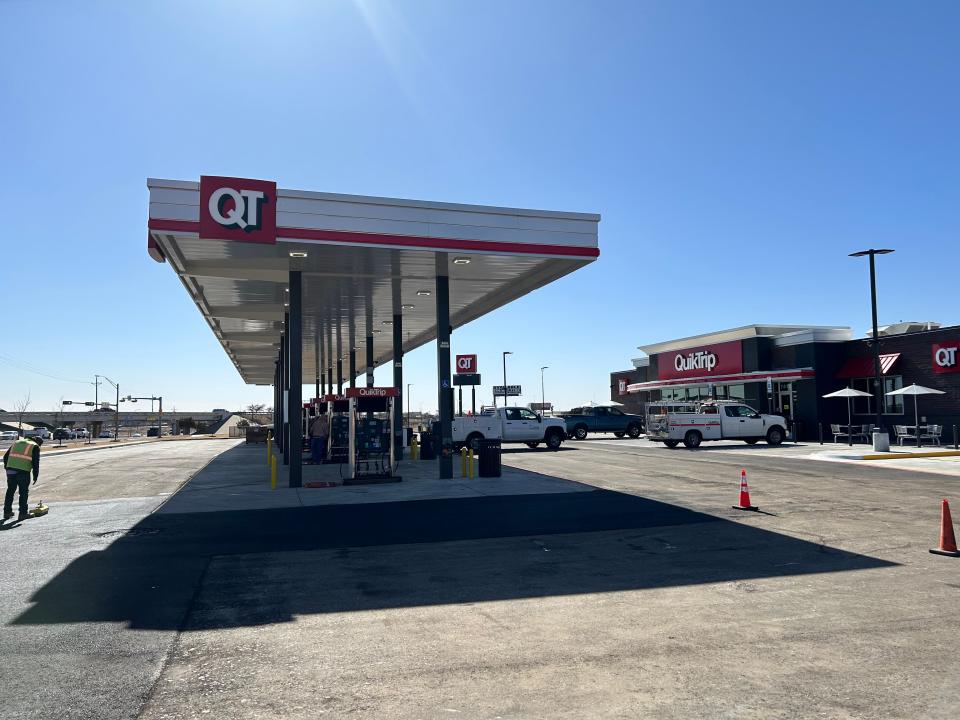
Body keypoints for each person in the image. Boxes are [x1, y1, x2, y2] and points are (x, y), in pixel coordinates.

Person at [4, 434, 42, 522]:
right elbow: (35, 463)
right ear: (38, 442)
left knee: (10, 490)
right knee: (23, 492)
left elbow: (5, 457)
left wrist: (7, 467)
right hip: (23, 471)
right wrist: (35, 475)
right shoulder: (34, 446)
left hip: (10, 471)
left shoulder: (16, 442)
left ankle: (7, 512)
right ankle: (23, 513)